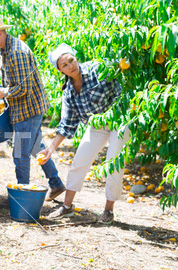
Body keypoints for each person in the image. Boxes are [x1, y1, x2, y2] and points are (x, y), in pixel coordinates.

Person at [0, 17, 65, 200]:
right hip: (22, 107)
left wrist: (5, 92)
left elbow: (24, 87)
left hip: (28, 109)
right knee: (34, 147)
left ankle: (21, 197)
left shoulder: (16, 53)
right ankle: (56, 183)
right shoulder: (4, 50)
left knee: (20, 153)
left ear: (0, 33)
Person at [39, 43, 130, 224]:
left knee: (114, 164)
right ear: (60, 70)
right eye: (64, 65)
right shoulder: (69, 92)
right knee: (79, 161)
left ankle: (108, 210)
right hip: (97, 125)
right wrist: (49, 150)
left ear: (75, 57)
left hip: (119, 120)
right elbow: (66, 125)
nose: (70, 66)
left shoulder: (98, 68)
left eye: (71, 60)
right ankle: (66, 207)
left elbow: (121, 64)